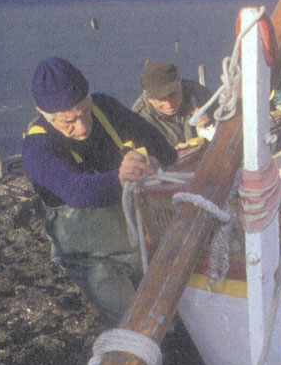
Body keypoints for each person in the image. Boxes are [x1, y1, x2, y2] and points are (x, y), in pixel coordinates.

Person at [22, 57, 177, 326]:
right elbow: (77, 191)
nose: (82, 127)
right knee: (131, 323)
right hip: (92, 258)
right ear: (42, 112)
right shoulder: (38, 148)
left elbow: (161, 146)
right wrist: (120, 177)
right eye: (68, 121)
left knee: (170, 313)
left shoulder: (105, 107)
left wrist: (153, 159)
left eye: (84, 112)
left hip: (137, 240)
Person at [131, 61, 215, 150]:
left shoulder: (199, 94)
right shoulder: (137, 121)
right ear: (149, 99)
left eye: (173, 95)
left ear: (180, 84)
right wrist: (172, 153)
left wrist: (209, 123)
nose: (169, 104)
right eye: (161, 99)